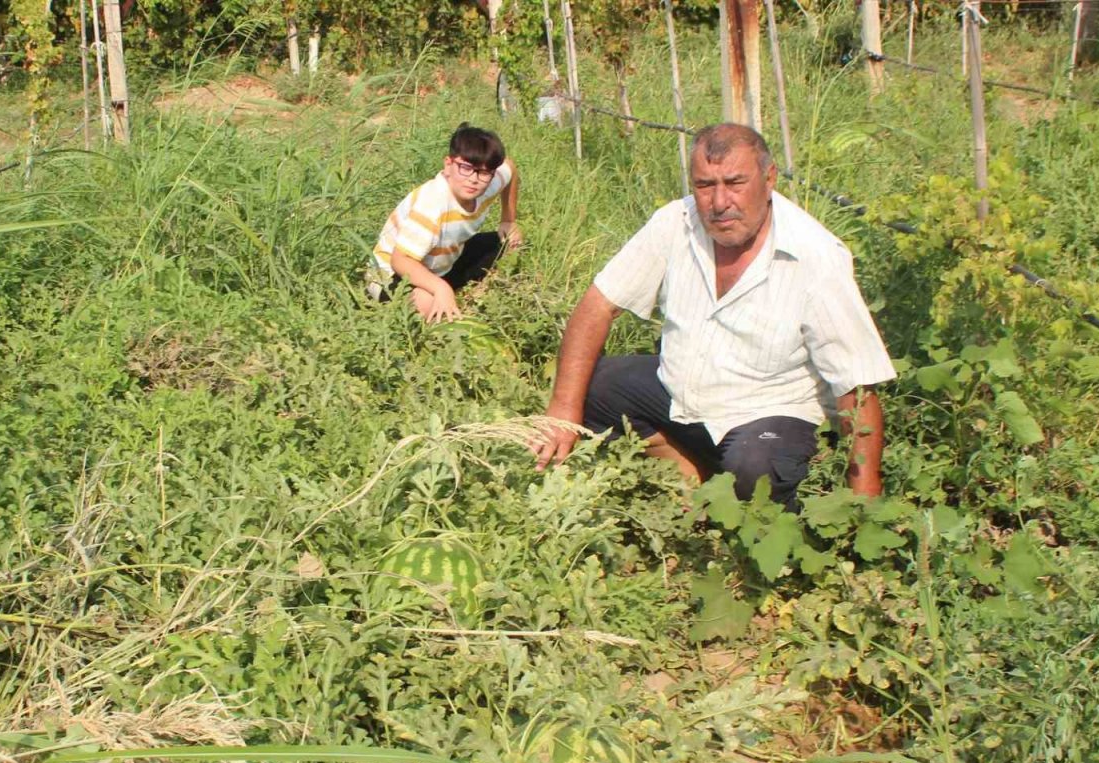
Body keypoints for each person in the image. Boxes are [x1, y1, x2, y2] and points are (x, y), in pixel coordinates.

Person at [533, 123, 895, 510]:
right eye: (705, 185)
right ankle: (689, 473)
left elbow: (857, 385)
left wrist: (864, 508)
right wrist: (563, 410)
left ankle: (745, 490)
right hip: (682, 393)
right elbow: (597, 305)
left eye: (735, 183)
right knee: (587, 384)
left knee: (754, 467)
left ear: (769, 179)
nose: (719, 202)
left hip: (767, 413)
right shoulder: (676, 223)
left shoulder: (815, 256)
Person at [368, 124, 523, 323]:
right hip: (391, 274)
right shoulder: (433, 204)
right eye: (465, 168)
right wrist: (441, 288)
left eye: (484, 172)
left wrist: (508, 220)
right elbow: (400, 261)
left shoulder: (487, 183)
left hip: (442, 263)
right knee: (427, 303)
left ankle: (478, 292)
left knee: (509, 241)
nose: (473, 179)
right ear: (448, 164)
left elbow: (510, 167)